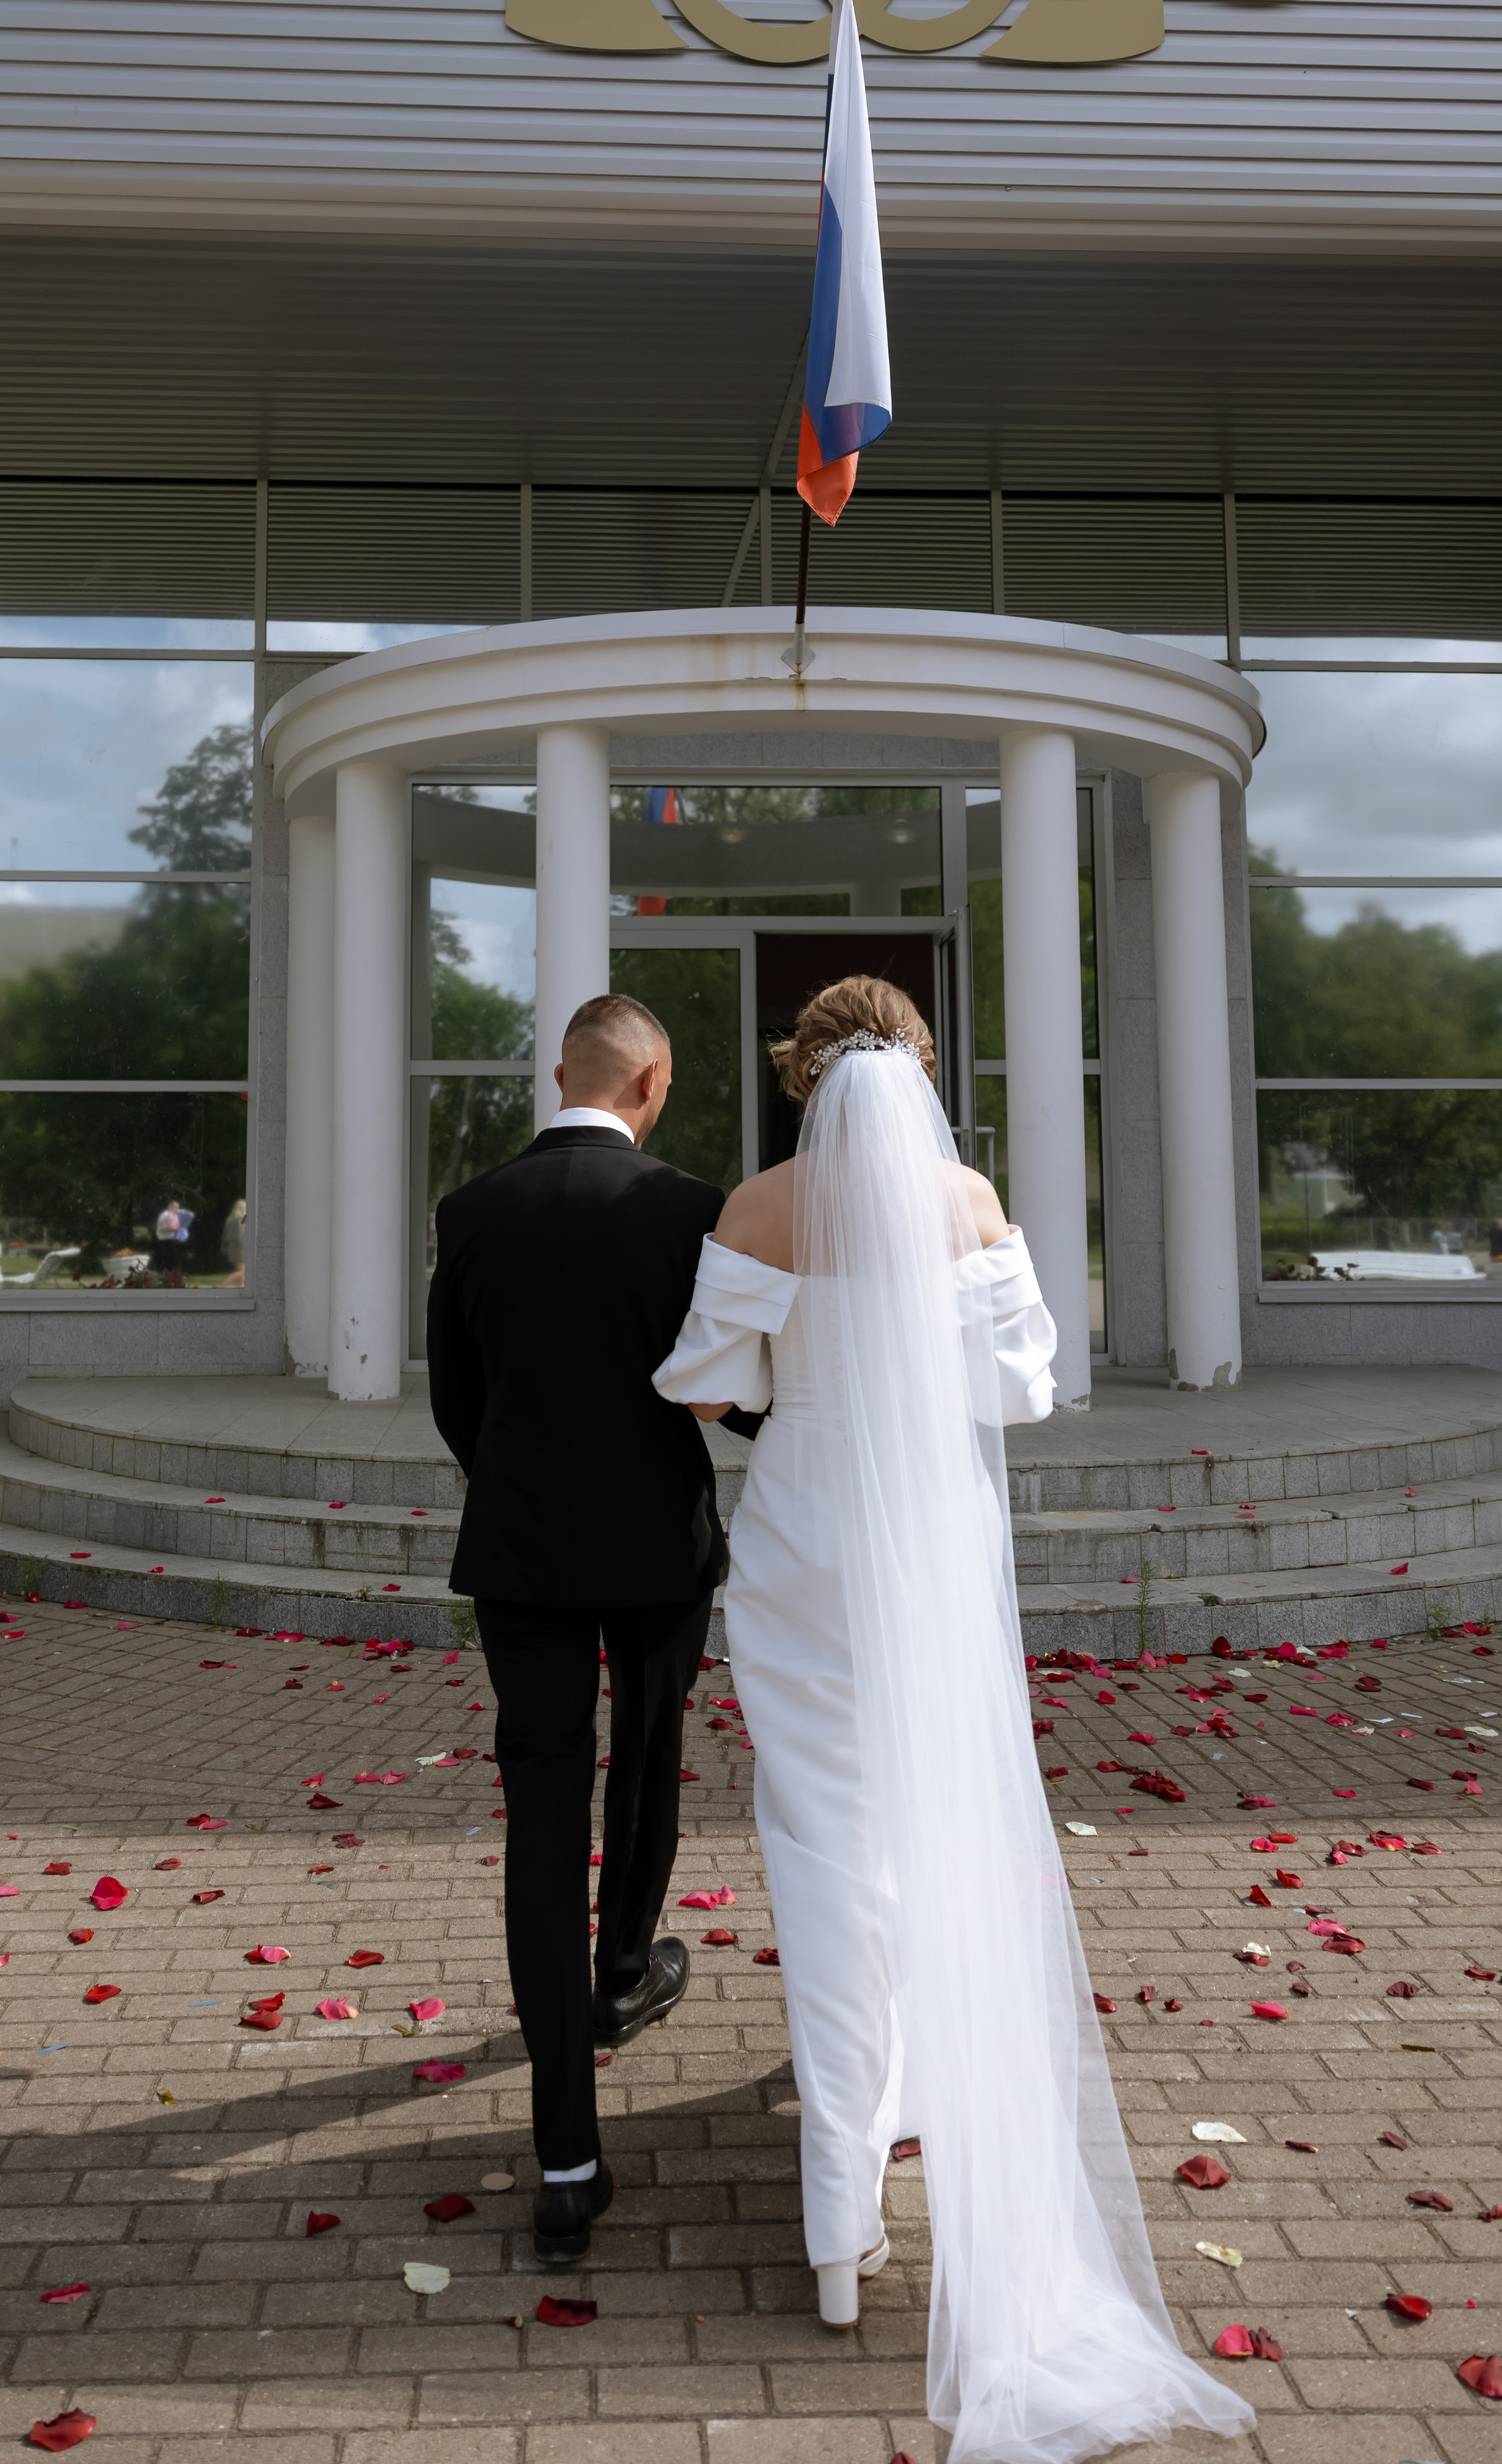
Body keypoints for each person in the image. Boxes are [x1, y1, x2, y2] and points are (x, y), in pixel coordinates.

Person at [653, 975, 1254, 2464]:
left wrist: (788, 1405)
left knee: (822, 1846)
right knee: (937, 1834)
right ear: (919, 1074)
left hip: (802, 1548)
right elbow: (1022, 1387)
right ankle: (918, 2116)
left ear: (803, 1075)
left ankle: (835, 2230)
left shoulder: (756, 1202)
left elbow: (696, 1385)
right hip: (931, 1541)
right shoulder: (971, 1198)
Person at [428, 991, 737, 2267]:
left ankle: (566, 2156)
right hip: (658, 1547)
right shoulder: (688, 1208)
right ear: (651, 1082)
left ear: (556, 1074)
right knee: (650, 1760)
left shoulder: (472, 1210)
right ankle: (621, 1973)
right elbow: (725, 1388)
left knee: (542, 1814)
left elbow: (459, 1403)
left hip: (522, 1548)